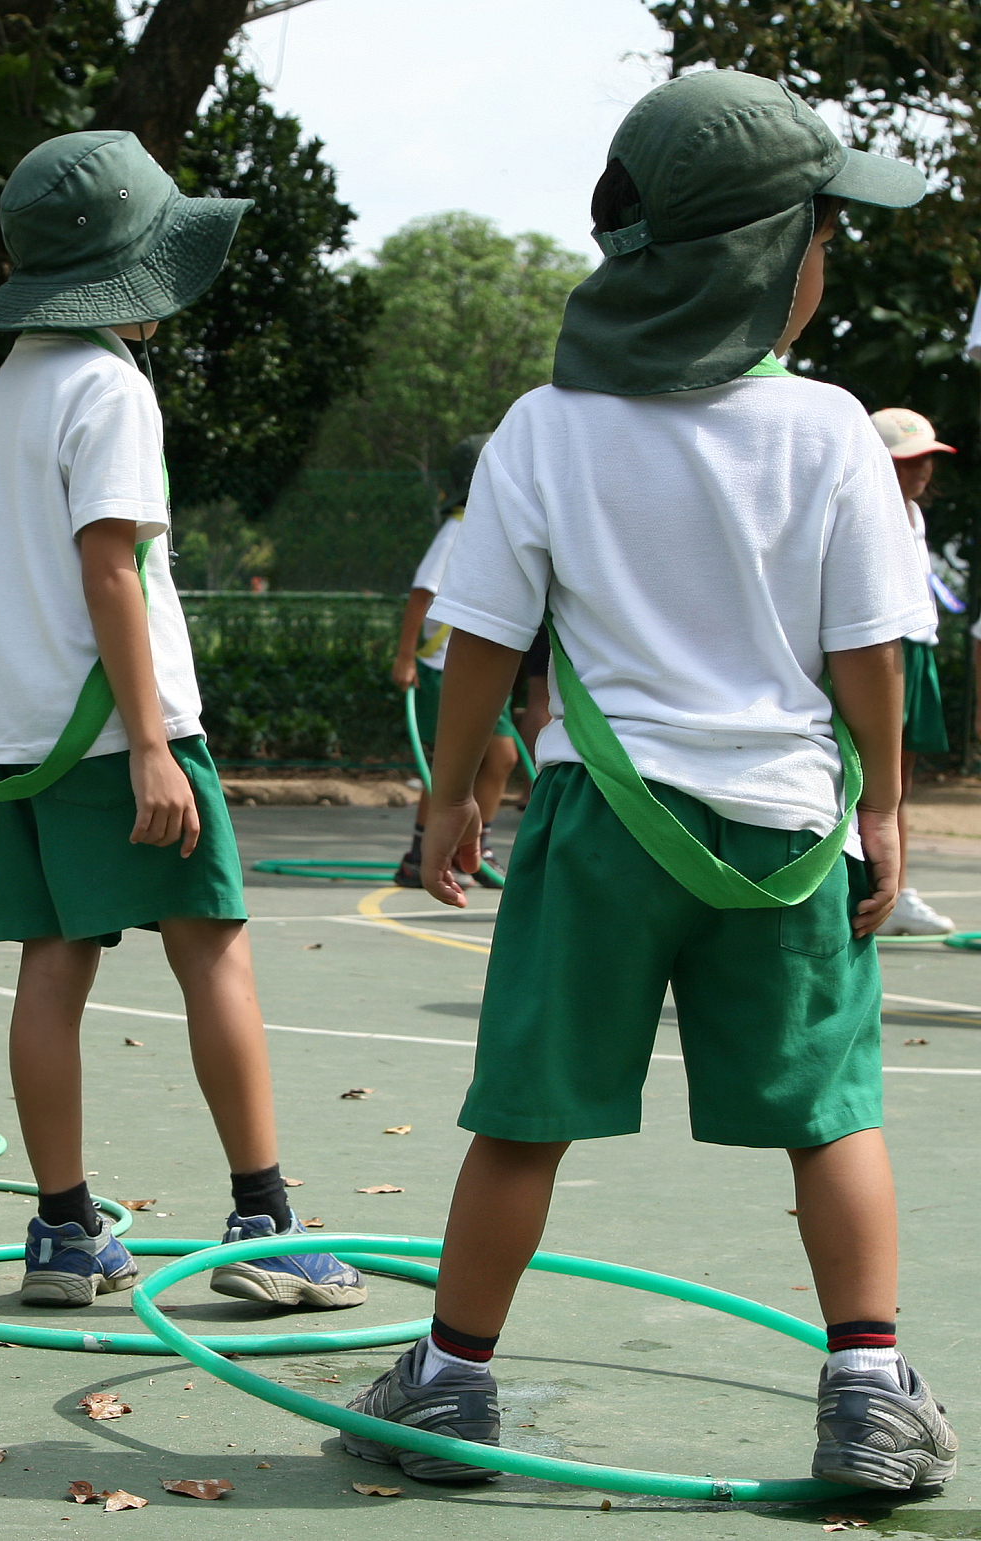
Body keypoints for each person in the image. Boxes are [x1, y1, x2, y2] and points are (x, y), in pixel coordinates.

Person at [347, 72, 957, 1492]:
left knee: (528, 1113)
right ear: (768, 259)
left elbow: (483, 639)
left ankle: (448, 1382)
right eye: (821, 234)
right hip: (789, 839)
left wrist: (452, 795)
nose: (826, 261)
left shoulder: (548, 429)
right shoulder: (826, 432)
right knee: (830, 1113)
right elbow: (866, 650)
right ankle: (866, 1386)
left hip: (599, 831)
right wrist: (879, 806)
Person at [0, 130, 367, 1311]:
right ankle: (263, 1219)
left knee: (52, 963)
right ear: (132, 273)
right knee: (212, 948)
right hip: (117, 726)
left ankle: (62, 1228)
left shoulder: (2, 396)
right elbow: (111, 572)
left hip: (21, 735)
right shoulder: (109, 387)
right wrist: (147, 740)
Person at [389, 433, 519, 884]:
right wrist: (406, 657)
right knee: (450, 763)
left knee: (500, 759)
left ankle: (475, 850)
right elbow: (423, 591)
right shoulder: (460, 528)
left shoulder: (492, 526)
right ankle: (419, 854)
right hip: (447, 665)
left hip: (485, 665)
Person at [867, 407, 959, 937]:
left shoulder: (914, 515)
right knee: (872, 777)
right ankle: (867, 882)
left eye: (926, 459)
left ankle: (895, 889)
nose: (920, 471)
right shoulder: (867, 512)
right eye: (906, 461)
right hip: (883, 648)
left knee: (899, 780)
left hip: (917, 649)